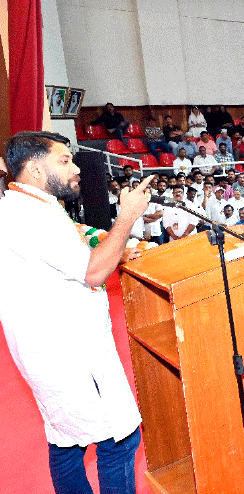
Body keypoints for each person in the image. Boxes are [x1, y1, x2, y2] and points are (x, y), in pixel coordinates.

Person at [0, 131, 152, 493]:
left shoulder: (20, 205)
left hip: (44, 353)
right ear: (35, 169)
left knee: (65, 441)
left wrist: (115, 246)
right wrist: (127, 216)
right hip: (72, 356)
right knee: (120, 440)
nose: (77, 168)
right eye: (65, 160)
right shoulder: (34, 217)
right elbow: (94, 271)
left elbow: (76, 240)